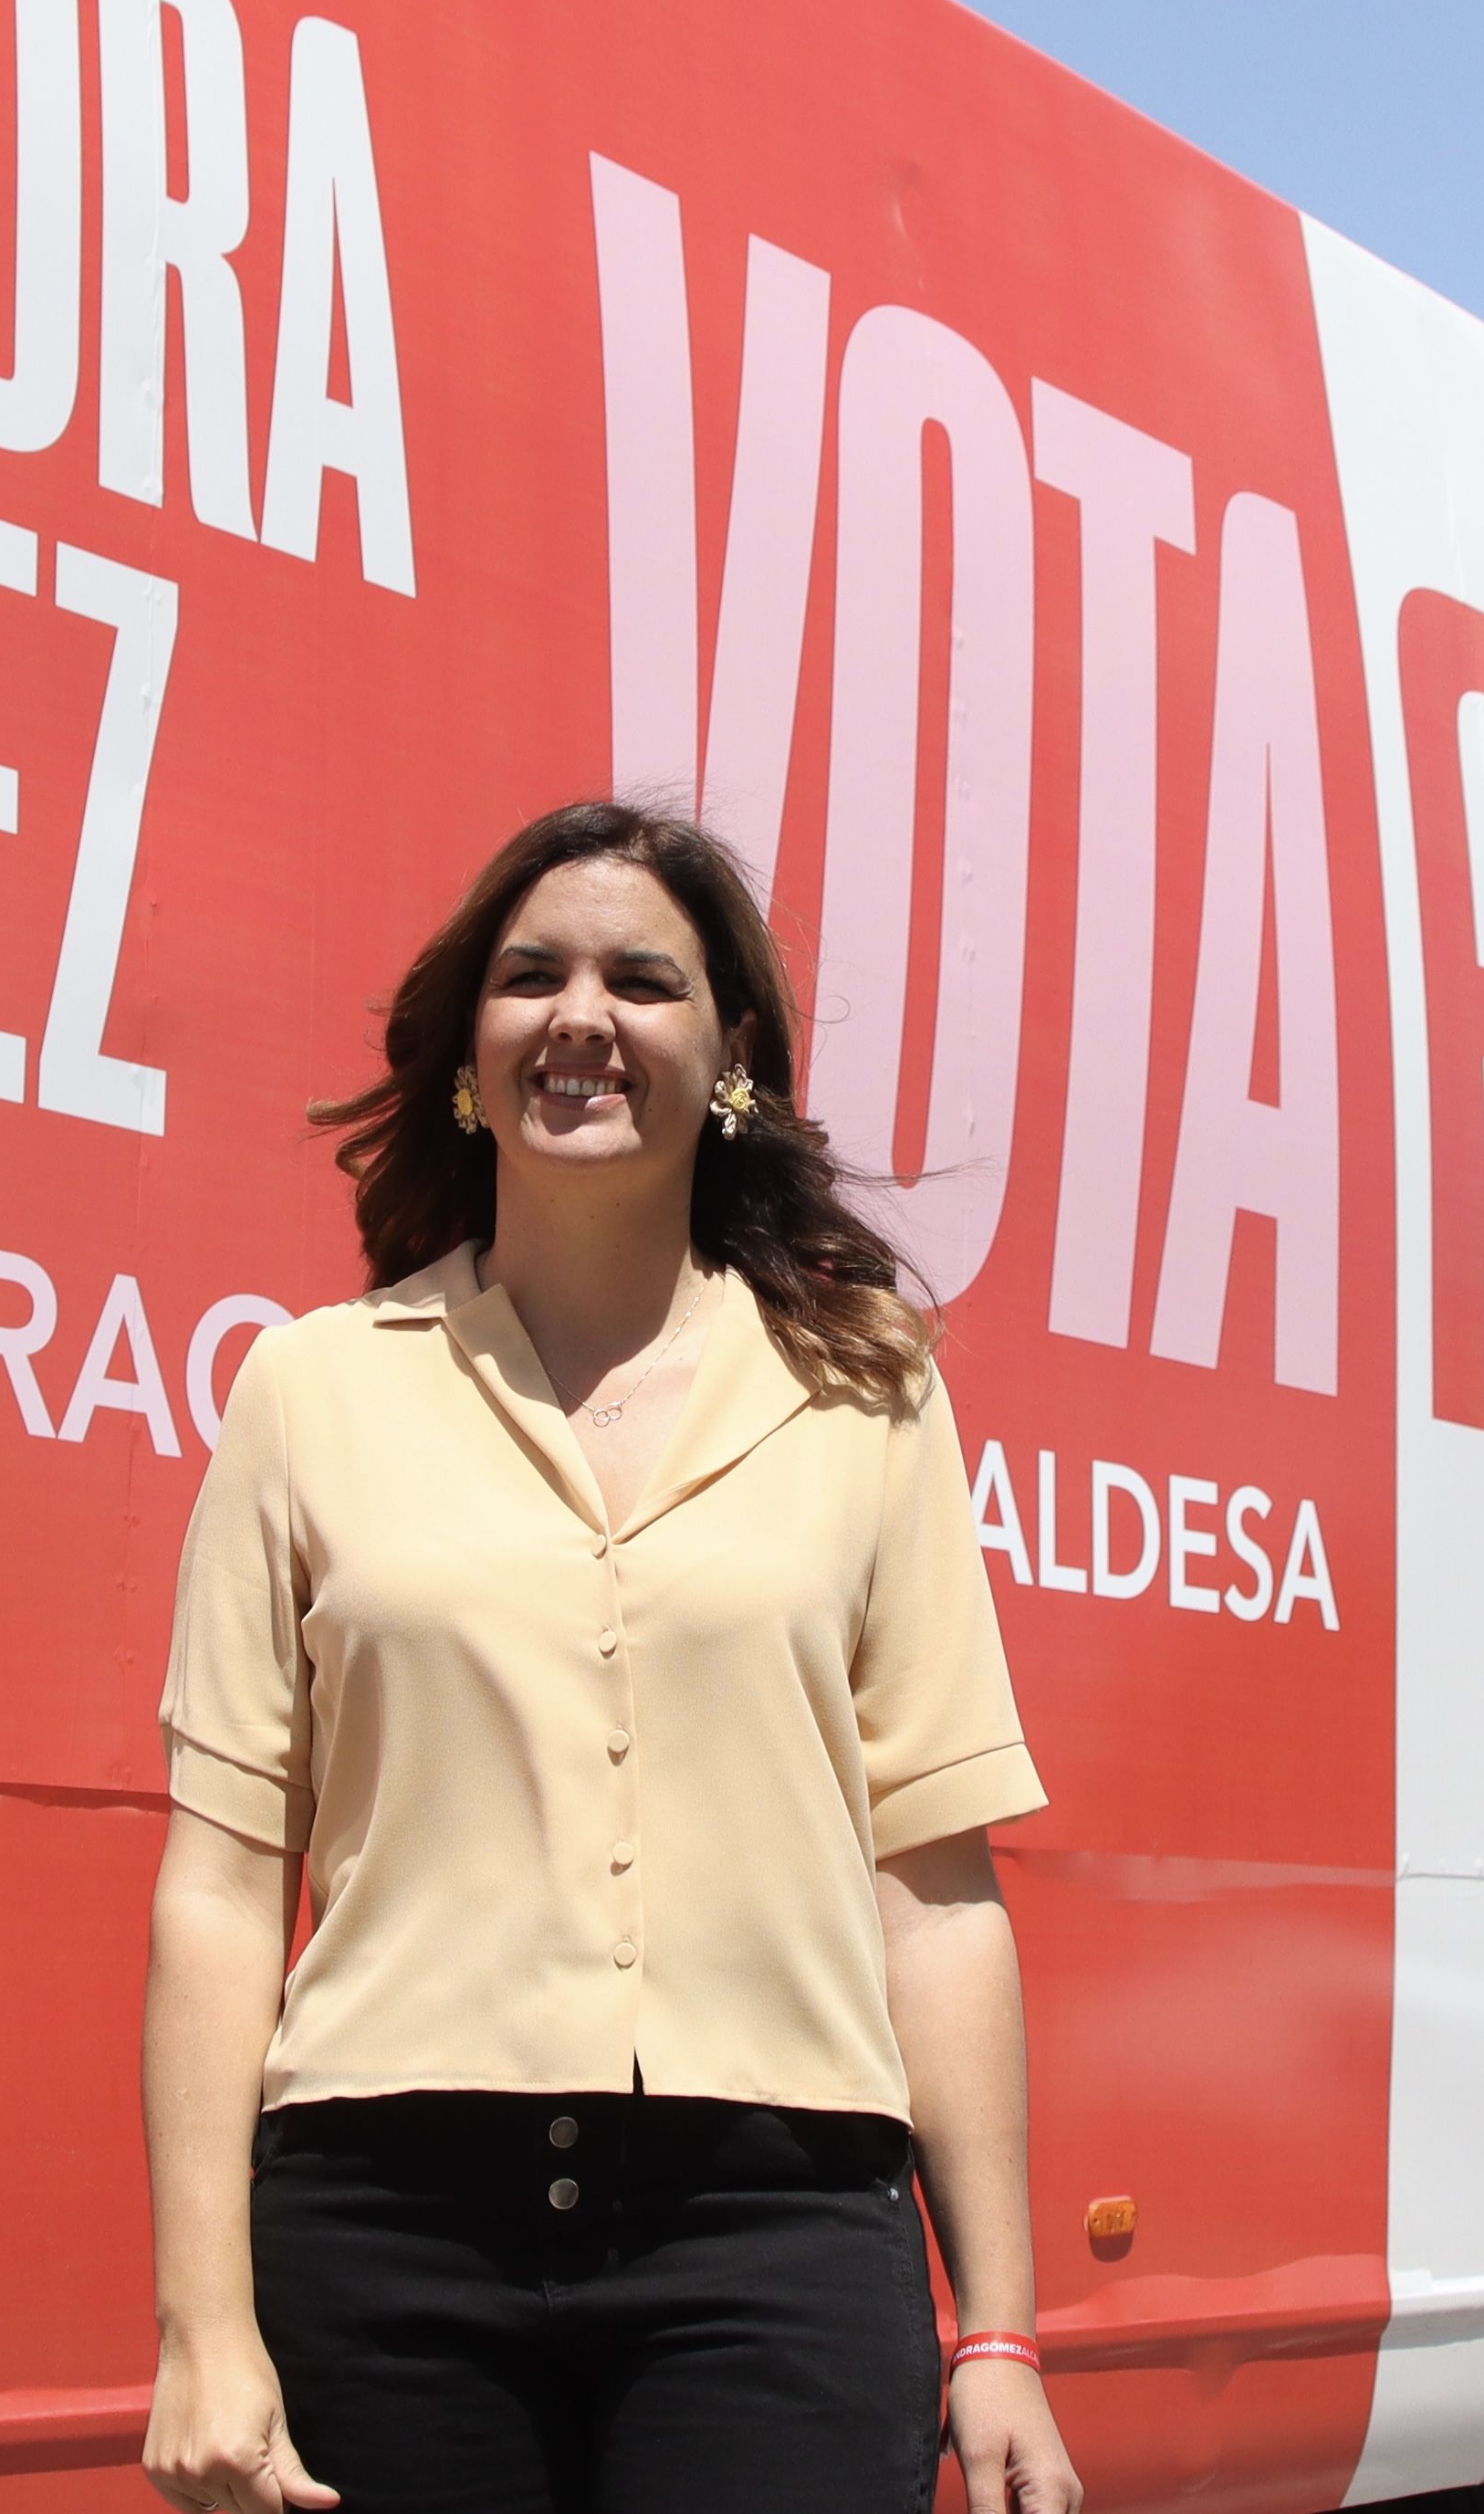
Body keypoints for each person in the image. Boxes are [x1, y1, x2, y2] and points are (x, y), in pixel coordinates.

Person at [137, 800, 1085, 2514]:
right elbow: (218, 1885)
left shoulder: (869, 1389)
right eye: (532, 977)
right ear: (468, 1053)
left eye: (642, 980)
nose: (581, 1014)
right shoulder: (310, 1389)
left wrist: (999, 2329)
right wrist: (204, 2323)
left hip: (777, 2236)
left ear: (730, 1057)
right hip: (386, 2234)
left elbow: (935, 1893)